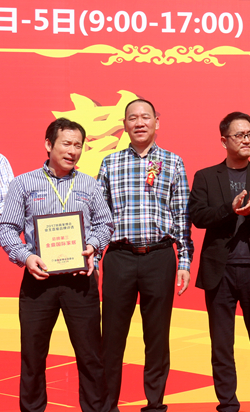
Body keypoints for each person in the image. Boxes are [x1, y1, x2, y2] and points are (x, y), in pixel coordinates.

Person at [0, 118, 113, 412]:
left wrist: (93, 247)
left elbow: (105, 224)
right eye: (66, 143)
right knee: (33, 357)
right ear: (49, 144)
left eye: (78, 145)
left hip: (81, 281)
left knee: (91, 357)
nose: (72, 151)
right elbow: (7, 228)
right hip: (38, 281)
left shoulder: (89, 184)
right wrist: (26, 256)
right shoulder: (23, 184)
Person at [97, 99, 194, 412]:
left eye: (145, 117)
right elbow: (99, 216)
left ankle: (154, 404)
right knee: (112, 337)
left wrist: (184, 261)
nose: (139, 123)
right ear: (124, 125)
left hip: (159, 257)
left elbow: (182, 216)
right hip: (119, 257)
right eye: (132, 118)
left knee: (157, 336)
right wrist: (94, 257)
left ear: (157, 122)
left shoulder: (172, 162)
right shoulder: (109, 163)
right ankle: (107, 405)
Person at [188, 111, 250, 412]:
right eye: (240, 135)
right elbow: (198, 216)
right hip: (220, 271)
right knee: (221, 345)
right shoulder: (205, 176)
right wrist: (229, 211)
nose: (247, 140)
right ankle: (227, 405)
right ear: (224, 140)